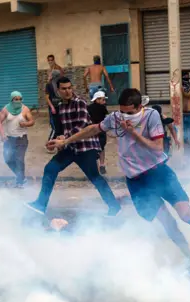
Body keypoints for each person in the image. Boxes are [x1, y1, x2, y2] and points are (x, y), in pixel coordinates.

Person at [46, 88, 190, 268]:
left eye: (129, 112)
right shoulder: (115, 118)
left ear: (139, 107)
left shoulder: (151, 116)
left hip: (159, 173)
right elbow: (93, 128)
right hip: (137, 182)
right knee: (167, 223)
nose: (124, 116)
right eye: (122, 111)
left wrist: (132, 133)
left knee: (184, 214)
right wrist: (65, 141)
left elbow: (157, 147)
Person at [26, 77, 121, 217]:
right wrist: (55, 141)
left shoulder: (80, 102)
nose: (67, 91)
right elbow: (61, 129)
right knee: (50, 169)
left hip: (85, 147)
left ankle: (114, 206)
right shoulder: (60, 107)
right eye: (63, 89)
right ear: (58, 90)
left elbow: (82, 125)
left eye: (69, 88)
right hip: (70, 148)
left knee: (95, 177)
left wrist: (64, 138)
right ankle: (40, 204)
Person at [0, 91, 34, 188]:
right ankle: (21, 177)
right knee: (8, 159)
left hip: (21, 139)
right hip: (9, 139)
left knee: (19, 159)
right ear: (11, 99)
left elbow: (32, 121)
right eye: (16, 99)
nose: (18, 101)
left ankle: (20, 182)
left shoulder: (25, 109)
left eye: (20, 99)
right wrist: (2, 134)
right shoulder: (6, 109)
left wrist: (25, 124)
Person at [87, 91, 109, 174]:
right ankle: (102, 165)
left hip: (91, 130)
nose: (104, 102)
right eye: (103, 100)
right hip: (101, 130)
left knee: (92, 148)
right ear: (97, 99)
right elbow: (106, 119)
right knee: (102, 148)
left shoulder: (88, 108)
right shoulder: (103, 108)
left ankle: (94, 168)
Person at [44, 69, 62, 142]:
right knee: (54, 126)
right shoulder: (49, 85)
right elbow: (47, 98)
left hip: (60, 107)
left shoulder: (59, 84)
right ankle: (50, 142)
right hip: (53, 107)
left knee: (60, 125)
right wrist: (52, 107)